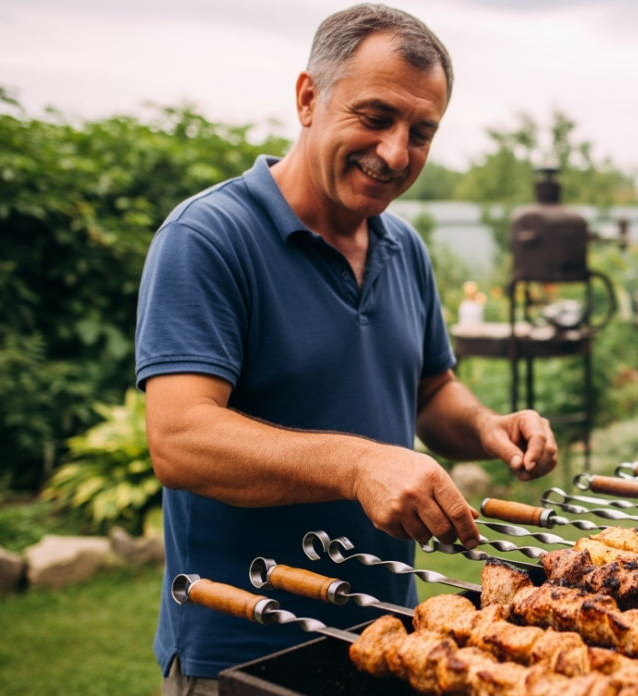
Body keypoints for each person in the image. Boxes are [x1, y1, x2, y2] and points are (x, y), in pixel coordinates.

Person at [135, 5, 559, 693]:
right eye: (376, 117)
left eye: (421, 133)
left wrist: (488, 427)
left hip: (389, 635)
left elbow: (429, 391)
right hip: (244, 648)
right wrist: (358, 464)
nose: (396, 152)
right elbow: (179, 439)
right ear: (308, 98)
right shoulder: (209, 236)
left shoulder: (403, 246)